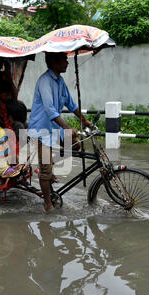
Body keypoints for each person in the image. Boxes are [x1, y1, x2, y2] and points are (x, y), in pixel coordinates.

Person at [28, 52, 94, 214]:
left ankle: (49, 165)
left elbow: (71, 104)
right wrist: (66, 127)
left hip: (54, 129)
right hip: (40, 131)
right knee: (45, 171)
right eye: (64, 59)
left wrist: (84, 120)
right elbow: (50, 109)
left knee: (76, 145)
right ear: (54, 62)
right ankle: (48, 204)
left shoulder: (60, 81)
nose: (67, 63)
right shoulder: (45, 81)